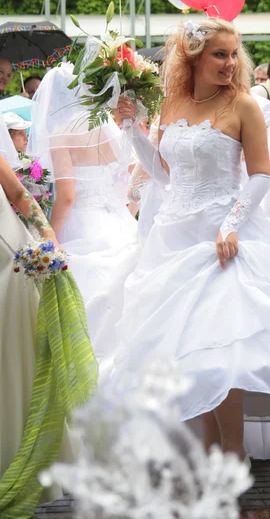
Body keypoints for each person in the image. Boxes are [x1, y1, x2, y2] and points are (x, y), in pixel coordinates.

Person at [111, 18, 270, 473]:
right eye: (219, 55)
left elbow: (262, 174)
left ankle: (233, 451)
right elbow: (166, 173)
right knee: (190, 351)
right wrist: (132, 130)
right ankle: (213, 451)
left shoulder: (243, 105)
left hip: (223, 237)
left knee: (220, 347)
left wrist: (231, 225)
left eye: (234, 55)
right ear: (193, 59)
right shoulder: (172, 103)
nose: (230, 64)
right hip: (174, 237)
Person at [28, 63, 141, 374]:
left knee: (85, 300)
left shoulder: (61, 135)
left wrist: (49, 236)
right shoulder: (110, 127)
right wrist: (125, 215)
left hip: (82, 222)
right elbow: (132, 188)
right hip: (120, 222)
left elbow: (66, 197)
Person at [0, 120, 73, 505]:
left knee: (15, 357)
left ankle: (21, 459)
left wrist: (48, 235)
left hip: (8, 256)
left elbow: (17, 191)